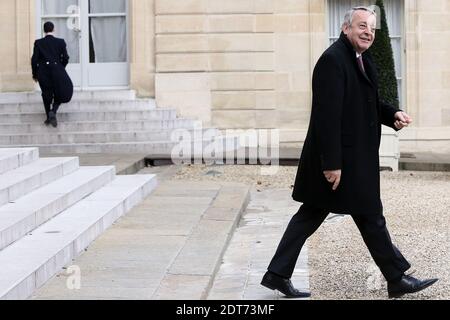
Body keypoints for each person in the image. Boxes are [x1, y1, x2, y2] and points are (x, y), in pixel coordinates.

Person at [261, 6, 438, 299]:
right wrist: (332, 164)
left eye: (371, 27)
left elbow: (366, 103)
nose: (368, 32)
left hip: (354, 160)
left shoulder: (362, 58)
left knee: (324, 214)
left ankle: (277, 274)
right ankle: (396, 278)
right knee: (365, 214)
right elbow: (326, 118)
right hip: (339, 162)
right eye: (361, 26)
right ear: (346, 29)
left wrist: (392, 114)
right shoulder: (332, 61)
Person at [31, 21, 72, 128]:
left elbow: (34, 60)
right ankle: (53, 111)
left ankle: (48, 115)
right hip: (57, 70)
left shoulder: (38, 42)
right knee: (59, 92)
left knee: (46, 93)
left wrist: (35, 74)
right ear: (53, 29)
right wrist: (61, 68)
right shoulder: (60, 42)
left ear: (44, 31)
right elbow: (66, 58)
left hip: (43, 72)